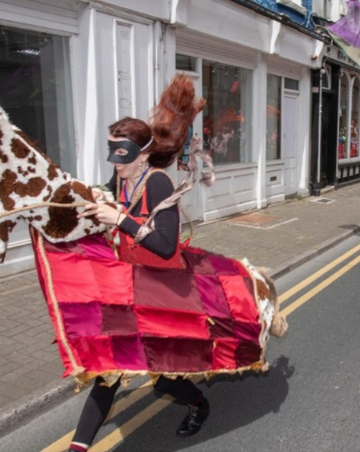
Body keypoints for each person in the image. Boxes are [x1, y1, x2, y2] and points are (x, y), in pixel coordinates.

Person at [70, 75, 209, 452]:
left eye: (124, 159)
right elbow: (104, 208)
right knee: (107, 373)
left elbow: (165, 246)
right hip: (129, 287)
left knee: (164, 380)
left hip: (163, 292)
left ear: (143, 155)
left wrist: (121, 221)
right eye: (113, 157)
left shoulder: (157, 183)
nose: (116, 167)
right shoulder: (121, 180)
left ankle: (198, 404)